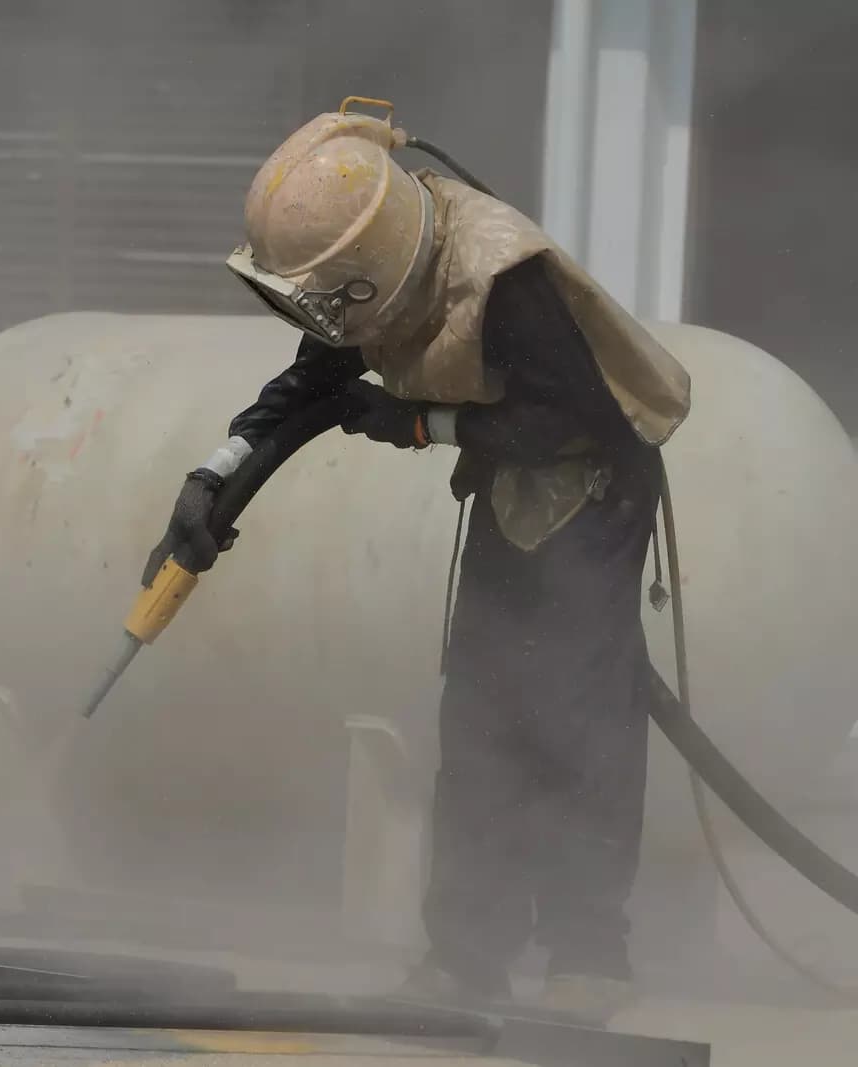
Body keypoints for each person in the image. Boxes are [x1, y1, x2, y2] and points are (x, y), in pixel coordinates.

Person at [142, 103, 691, 1024]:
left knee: (577, 723)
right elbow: (309, 385)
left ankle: (589, 958)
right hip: (509, 482)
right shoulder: (374, 267)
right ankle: (468, 958)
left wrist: (418, 421)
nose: (325, 320)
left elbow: (584, 420)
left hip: (594, 494)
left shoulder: (501, 275)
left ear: (366, 267)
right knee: (481, 715)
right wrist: (216, 473)